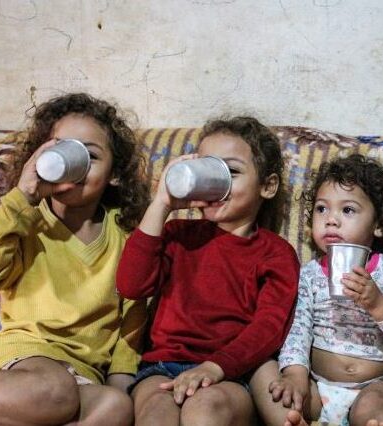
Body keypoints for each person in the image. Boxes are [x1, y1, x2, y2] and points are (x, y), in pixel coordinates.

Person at [116, 116, 300, 426]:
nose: (218, 183)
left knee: (204, 410)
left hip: (230, 373)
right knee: (156, 414)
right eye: (209, 169)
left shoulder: (276, 253)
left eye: (231, 172)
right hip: (162, 366)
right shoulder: (177, 234)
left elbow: (268, 328)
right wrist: (162, 204)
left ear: (267, 186)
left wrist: (215, 367)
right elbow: (131, 285)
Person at [0, 92, 150, 425]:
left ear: (114, 173)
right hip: (23, 357)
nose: (75, 165)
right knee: (54, 390)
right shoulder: (25, 221)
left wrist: (121, 383)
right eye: (62, 150)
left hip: (81, 374)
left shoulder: (127, 237)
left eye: (90, 156)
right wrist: (22, 199)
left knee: (115, 406)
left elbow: (132, 322)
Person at [252, 154, 383, 426]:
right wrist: (295, 374)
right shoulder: (309, 274)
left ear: (379, 224)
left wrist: (378, 304)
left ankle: (378, 421)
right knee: (264, 372)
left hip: (376, 384)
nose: (331, 219)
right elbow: (298, 329)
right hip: (319, 385)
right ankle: (292, 419)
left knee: (374, 407)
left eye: (348, 210)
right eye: (321, 209)